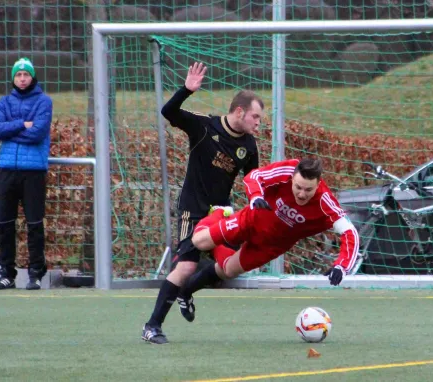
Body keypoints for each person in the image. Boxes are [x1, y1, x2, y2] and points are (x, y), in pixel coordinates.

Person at [142, 62, 264, 344]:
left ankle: (186, 292)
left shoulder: (249, 146)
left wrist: (257, 203)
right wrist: (186, 90)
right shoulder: (204, 126)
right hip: (192, 210)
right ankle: (152, 326)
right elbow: (168, 112)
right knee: (185, 268)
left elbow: (252, 180)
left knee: (229, 267)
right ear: (239, 112)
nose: (258, 123)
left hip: (220, 214)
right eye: (255, 117)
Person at [180, 158, 359, 311]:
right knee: (199, 241)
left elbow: (350, 232)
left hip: (273, 245)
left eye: (308, 190)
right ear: (292, 179)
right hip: (252, 220)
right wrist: (256, 196)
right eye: (298, 187)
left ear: (318, 184)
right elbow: (255, 176)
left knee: (227, 269)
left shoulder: (325, 202)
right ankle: (219, 214)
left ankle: (185, 292)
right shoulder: (288, 170)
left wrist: (341, 266)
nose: (302, 194)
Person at [0, 57, 53, 291]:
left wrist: (11, 129)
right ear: (13, 78)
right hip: (7, 171)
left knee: (34, 224)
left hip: (33, 172)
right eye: (18, 75)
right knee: (5, 223)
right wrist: (22, 124)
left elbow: (37, 133)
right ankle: (7, 273)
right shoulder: (4, 102)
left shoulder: (44, 101)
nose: (22, 79)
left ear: (32, 77)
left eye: (26, 75)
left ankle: (35, 273)